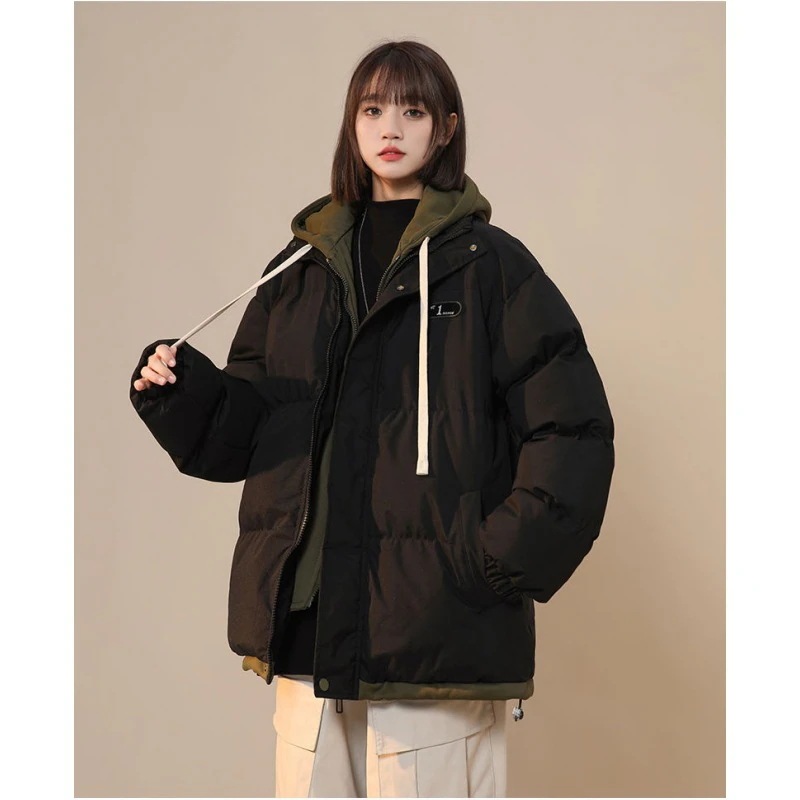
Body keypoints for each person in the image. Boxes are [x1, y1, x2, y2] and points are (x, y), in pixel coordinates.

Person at [129, 39, 615, 798]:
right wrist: (180, 391)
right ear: (351, 125)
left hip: (434, 637)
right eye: (373, 109)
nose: (391, 127)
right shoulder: (299, 268)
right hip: (307, 633)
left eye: (413, 111)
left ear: (446, 129)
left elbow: (574, 433)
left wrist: (487, 568)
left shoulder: (491, 268)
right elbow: (251, 435)